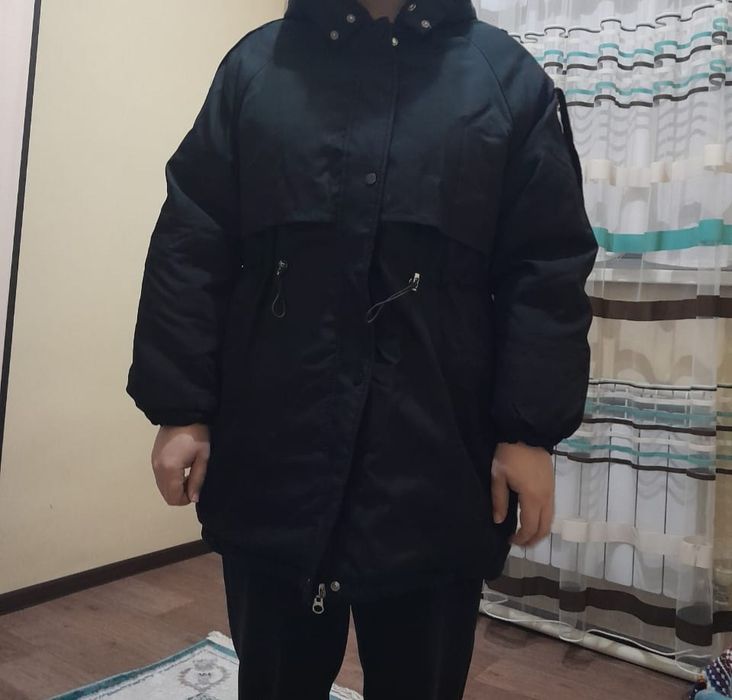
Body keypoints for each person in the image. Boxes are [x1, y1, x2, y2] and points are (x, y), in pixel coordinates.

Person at [126, 0, 598, 698]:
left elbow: (546, 267)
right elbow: (191, 243)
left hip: (435, 467)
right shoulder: (256, 68)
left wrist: (527, 433)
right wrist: (181, 408)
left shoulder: (507, 81)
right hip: (274, 456)